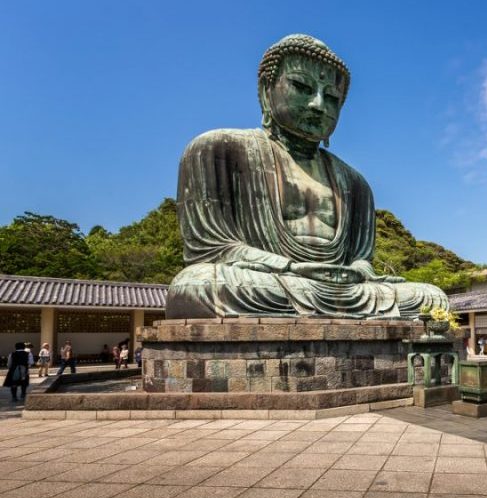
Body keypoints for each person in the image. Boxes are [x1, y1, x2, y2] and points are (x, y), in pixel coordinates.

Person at [164, 34, 447, 319]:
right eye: (302, 86)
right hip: (268, 280)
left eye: (333, 98)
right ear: (265, 90)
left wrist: (358, 272)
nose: (318, 104)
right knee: (195, 285)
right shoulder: (217, 150)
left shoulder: (355, 183)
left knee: (431, 299)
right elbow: (211, 249)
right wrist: (288, 267)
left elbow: (360, 259)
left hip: (343, 289)